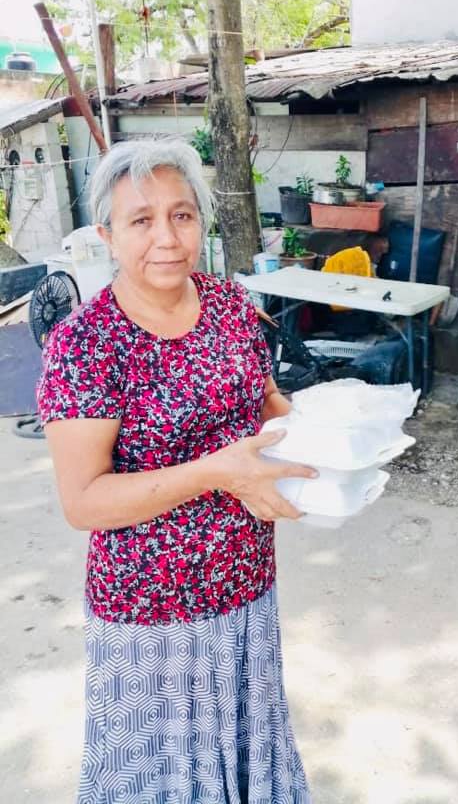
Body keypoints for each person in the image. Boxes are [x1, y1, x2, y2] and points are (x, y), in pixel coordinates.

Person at [36, 140, 316, 804]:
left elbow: (269, 402)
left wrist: (333, 432)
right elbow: (84, 502)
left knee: (243, 754)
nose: (167, 237)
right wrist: (217, 471)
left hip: (246, 588)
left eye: (183, 215)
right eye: (141, 220)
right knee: (163, 778)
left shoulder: (231, 304)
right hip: (151, 612)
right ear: (106, 234)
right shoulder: (85, 345)